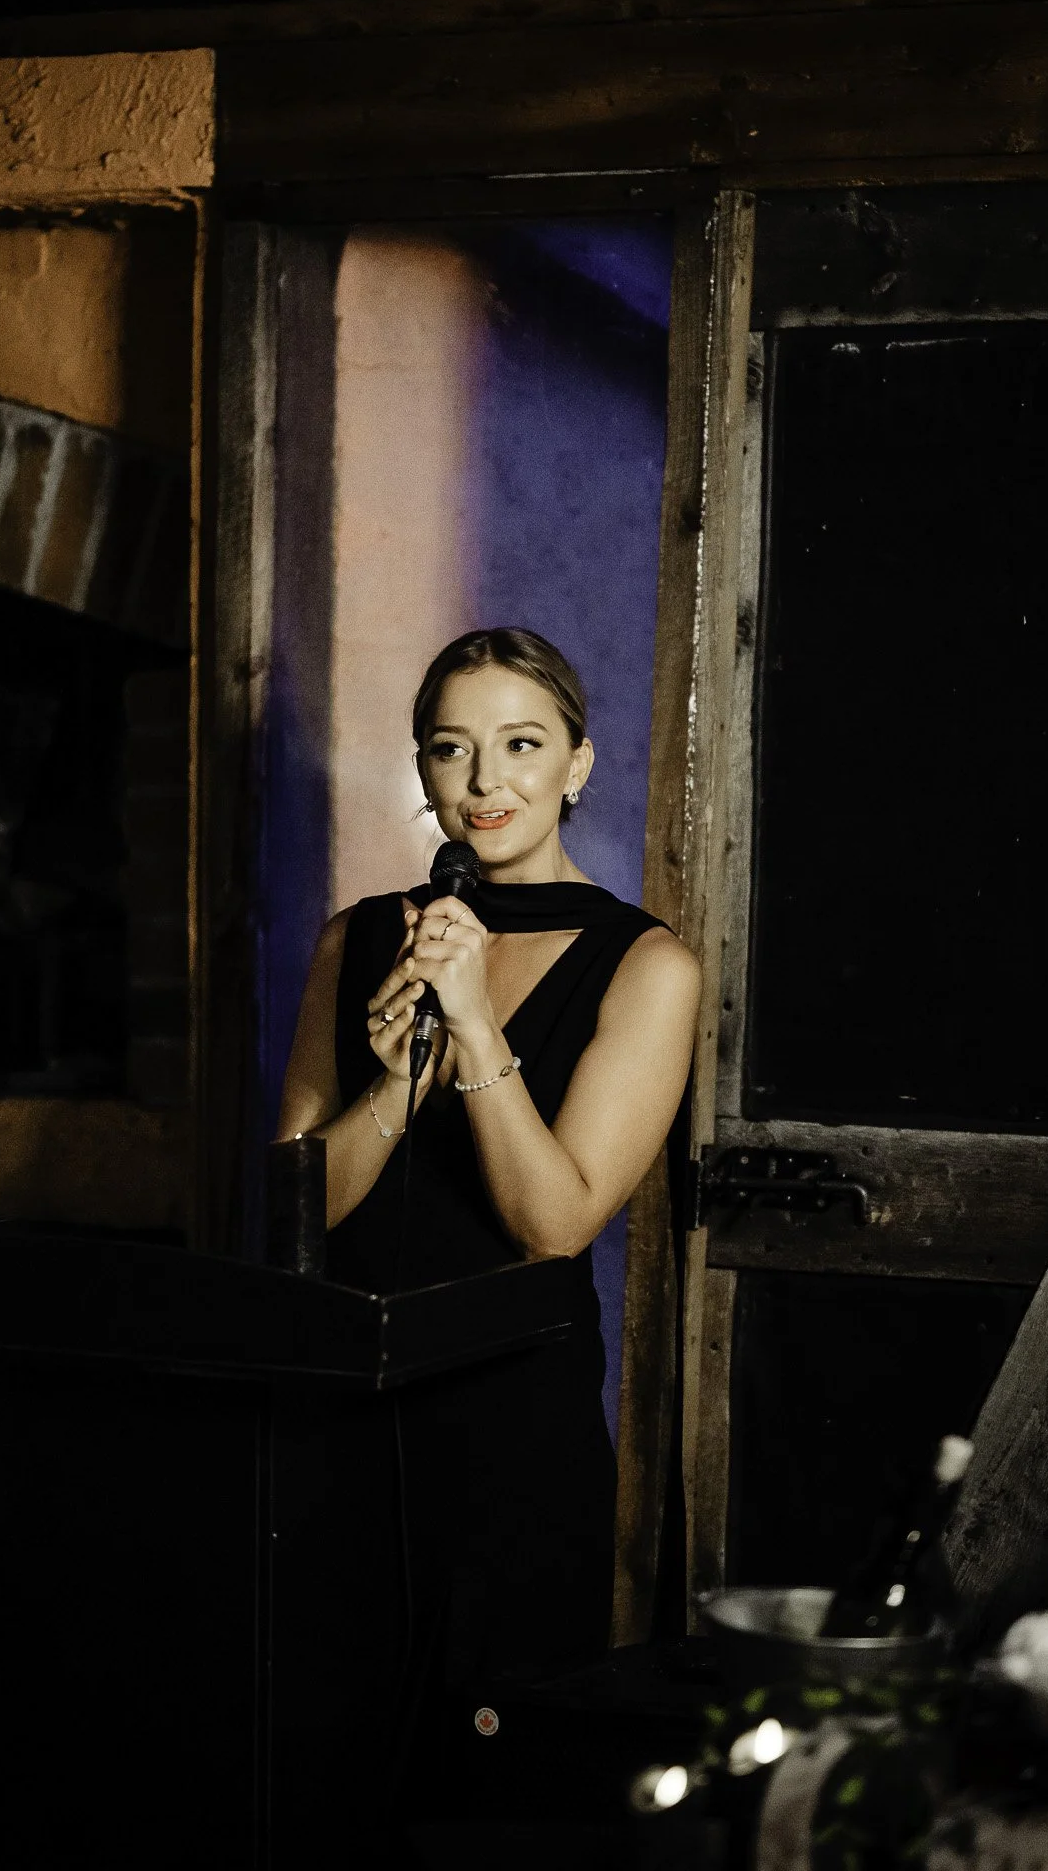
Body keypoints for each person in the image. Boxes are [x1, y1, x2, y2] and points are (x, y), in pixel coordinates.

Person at [276, 626, 699, 1809]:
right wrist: (394, 1087)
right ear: (421, 766)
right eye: (450, 747)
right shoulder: (360, 936)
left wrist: (473, 1025)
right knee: (324, 1770)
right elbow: (292, 1213)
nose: (482, 780)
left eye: (520, 743)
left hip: (514, 1431)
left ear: (577, 762)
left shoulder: (646, 965)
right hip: (345, 1414)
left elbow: (552, 1225)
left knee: (492, 1800)